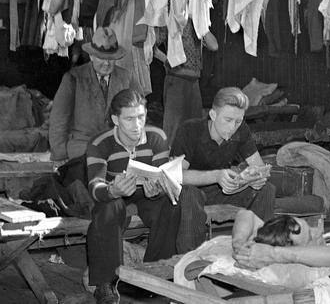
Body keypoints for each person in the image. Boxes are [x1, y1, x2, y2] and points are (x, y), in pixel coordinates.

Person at [85, 89, 205, 304]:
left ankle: (153, 274)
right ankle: (106, 284)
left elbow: (162, 174)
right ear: (115, 119)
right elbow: (94, 185)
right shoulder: (99, 143)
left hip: (146, 195)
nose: (137, 125)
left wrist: (157, 189)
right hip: (115, 195)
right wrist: (113, 190)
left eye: (141, 117)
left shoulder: (156, 137)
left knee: (172, 204)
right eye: (129, 119)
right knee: (108, 207)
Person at [48, 27, 139, 217]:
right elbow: (58, 120)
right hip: (82, 151)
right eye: (101, 57)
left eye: (110, 58)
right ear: (91, 56)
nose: (106, 62)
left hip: (117, 150)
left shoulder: (127, 77)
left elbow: (140, 115)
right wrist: (59, 155)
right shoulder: (73, 78)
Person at [171, 87, 276, 221]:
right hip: (192, 193)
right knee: (190, 194)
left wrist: (256, 179)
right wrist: (216, 176)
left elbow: (259, 166)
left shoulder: (241, 130)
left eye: (238, 121)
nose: (233, 127)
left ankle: (261, 240)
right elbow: (176, 175)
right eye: (228, 120)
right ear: (213, 115)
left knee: (267, 189)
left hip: (222, 191)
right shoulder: (190, 130)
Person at [153, 20, 219, 144]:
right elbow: (151, 44)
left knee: (195, 129)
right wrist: (167, 61)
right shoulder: (171, 17)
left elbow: (214, 46)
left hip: (194, 82)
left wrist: (201, 24)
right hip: (176, 79)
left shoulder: (198, 22)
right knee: (174, 132)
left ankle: (191, 162)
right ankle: (171, 162)